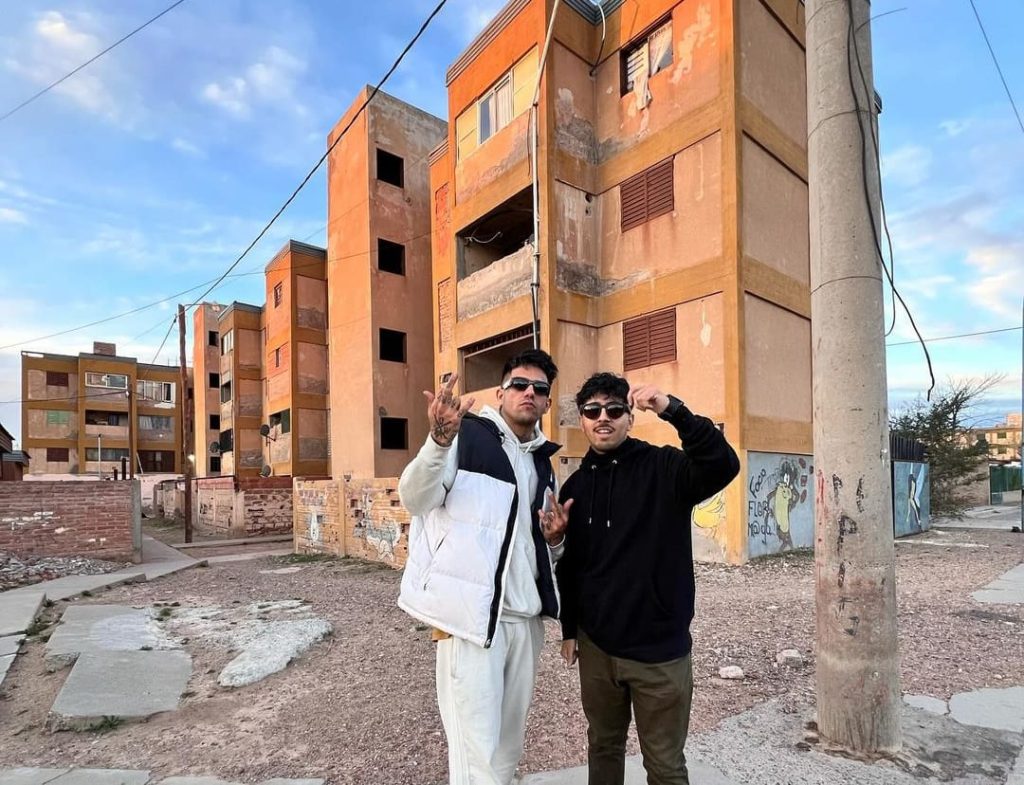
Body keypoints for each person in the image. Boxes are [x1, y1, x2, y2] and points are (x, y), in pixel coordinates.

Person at [550, 372, 740, 785]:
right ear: (582, 420)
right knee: (603, 748)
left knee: (665, 766)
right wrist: (569, 628)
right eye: (593, 410)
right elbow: (573, 564)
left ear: (629, 418)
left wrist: (672, 410)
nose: (603, 417)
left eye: (614, 409)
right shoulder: (576, 486)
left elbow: (724, 464)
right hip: (597, 649)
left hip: (659, 652)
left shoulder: (664, 467)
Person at [397, 349, 567, 785]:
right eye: (519, 385)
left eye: (539, 389)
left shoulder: (542, 462)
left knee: (507, 750)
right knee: (476, 759)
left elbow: (528, 548)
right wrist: (438, 442)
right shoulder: (465, 437)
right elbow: (415, 498)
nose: (529, 393)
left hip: (525, 623)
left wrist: (555, 541)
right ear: (500, 393)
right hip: (473, 625)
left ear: (547, 402)